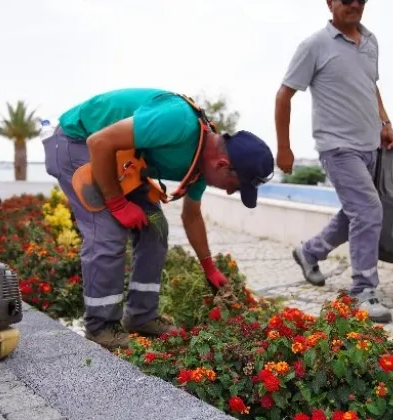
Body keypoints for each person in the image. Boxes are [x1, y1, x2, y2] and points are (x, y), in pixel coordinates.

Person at [43, 88, 275, 349]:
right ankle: (101, 328)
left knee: (156, 227)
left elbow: (192, 216)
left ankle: (141, 316)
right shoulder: (179, 122)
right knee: (107, 232)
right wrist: (118, 204)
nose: (231, 191)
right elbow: (99, 142)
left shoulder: (199, 166)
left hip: (122, 160)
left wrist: (209, 268)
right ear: (222, 164)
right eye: (236, 185)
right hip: (78, 141)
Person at [273, 0, 393, 323]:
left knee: (356, 212)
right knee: (368, 210)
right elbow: (284, 95)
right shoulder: (314, 45)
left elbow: (371, 87)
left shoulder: (371, 43)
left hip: (369, 146)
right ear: (330, 3)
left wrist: (385, 124)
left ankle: (309, 252)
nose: (354, 4)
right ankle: (363, 290)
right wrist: (284, 147)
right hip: (337, 147)